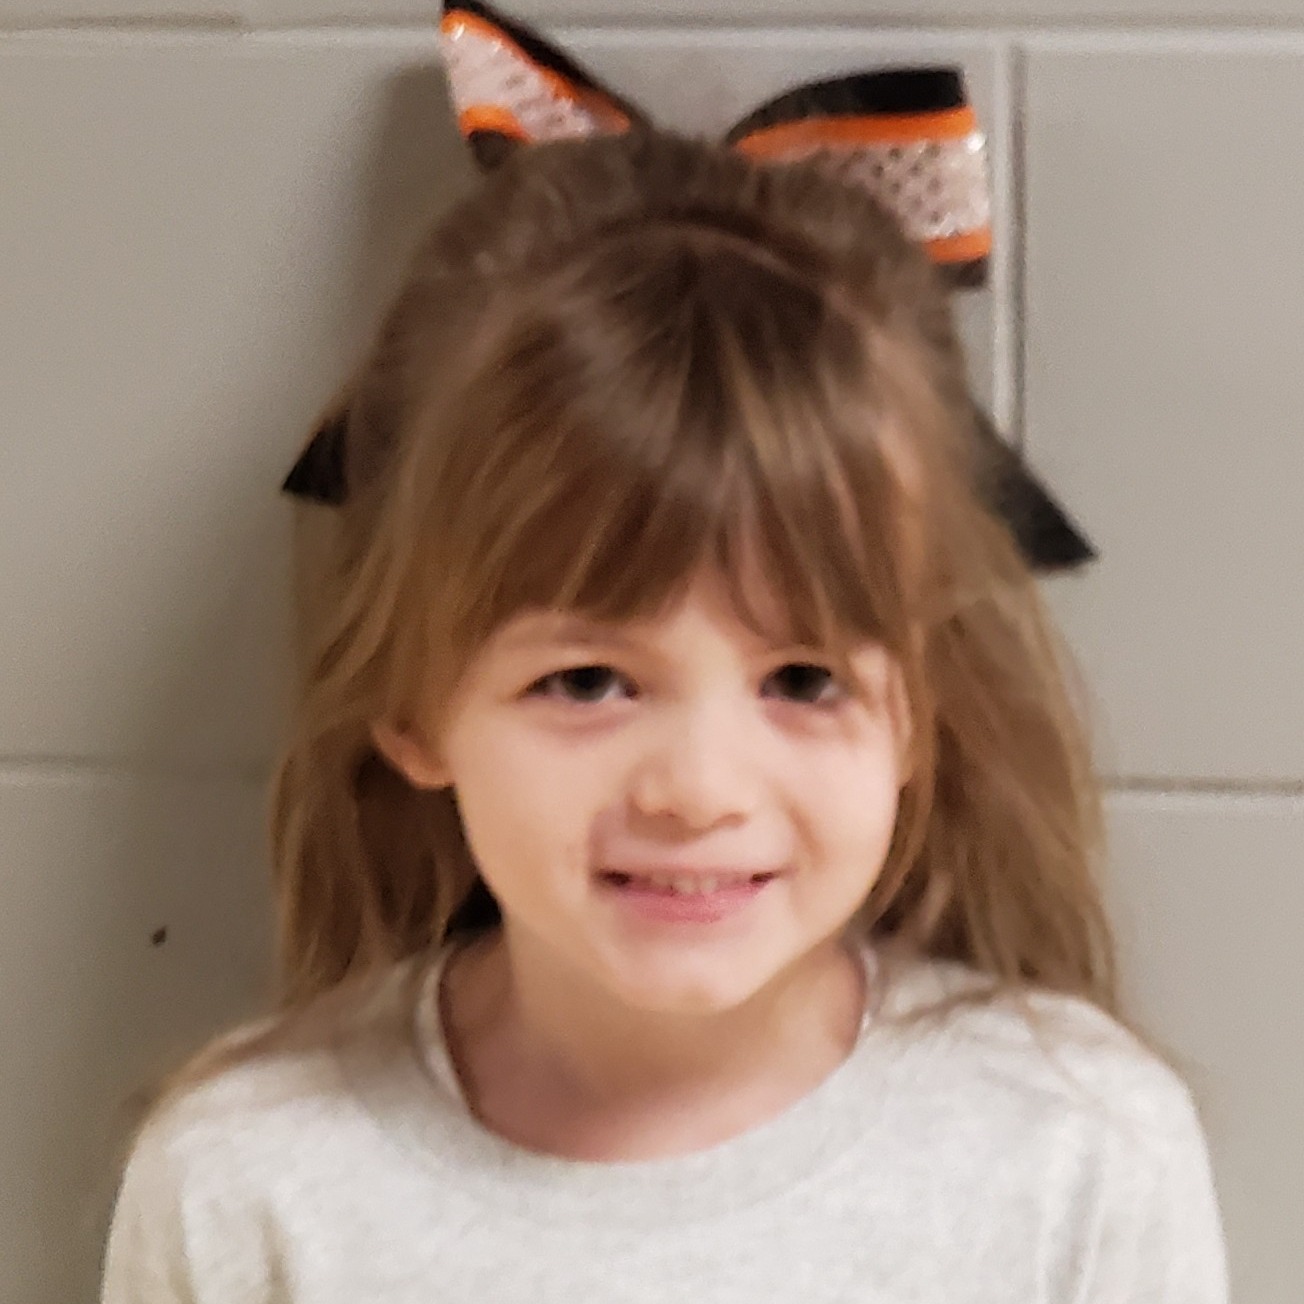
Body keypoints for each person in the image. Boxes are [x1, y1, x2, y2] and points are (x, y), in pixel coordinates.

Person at [99, 99, 1229, 1304]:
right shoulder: (244, 1183)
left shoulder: (1079, 1153)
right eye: (585, 680)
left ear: (918, 707)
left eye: (802, 679)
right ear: (413, 702)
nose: (698, 788)